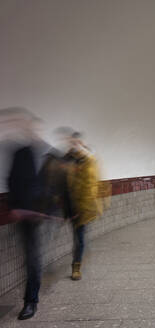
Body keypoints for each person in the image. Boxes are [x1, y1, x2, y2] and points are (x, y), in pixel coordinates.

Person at [2, 107, 49, 320]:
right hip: (20, 213)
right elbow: (11, 180)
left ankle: (31, 302)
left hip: (37, 214)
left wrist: (42, 210)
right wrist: (13, 208)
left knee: (32, 258)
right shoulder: (18, 152)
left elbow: (50, 185)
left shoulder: (45, 153)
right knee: (28, 257)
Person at [59, 129, 102, 281]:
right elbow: (62, 185)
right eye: (71, 142)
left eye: (76, 142)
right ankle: (80, 258)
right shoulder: (66, 159)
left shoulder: (87, 159)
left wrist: (82, 208)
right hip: (71, 207)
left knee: (80, 239)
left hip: (83, 208)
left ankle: (76, 267)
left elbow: (90, 185)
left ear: (81, 143)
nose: (74, 145)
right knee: (79, 238)